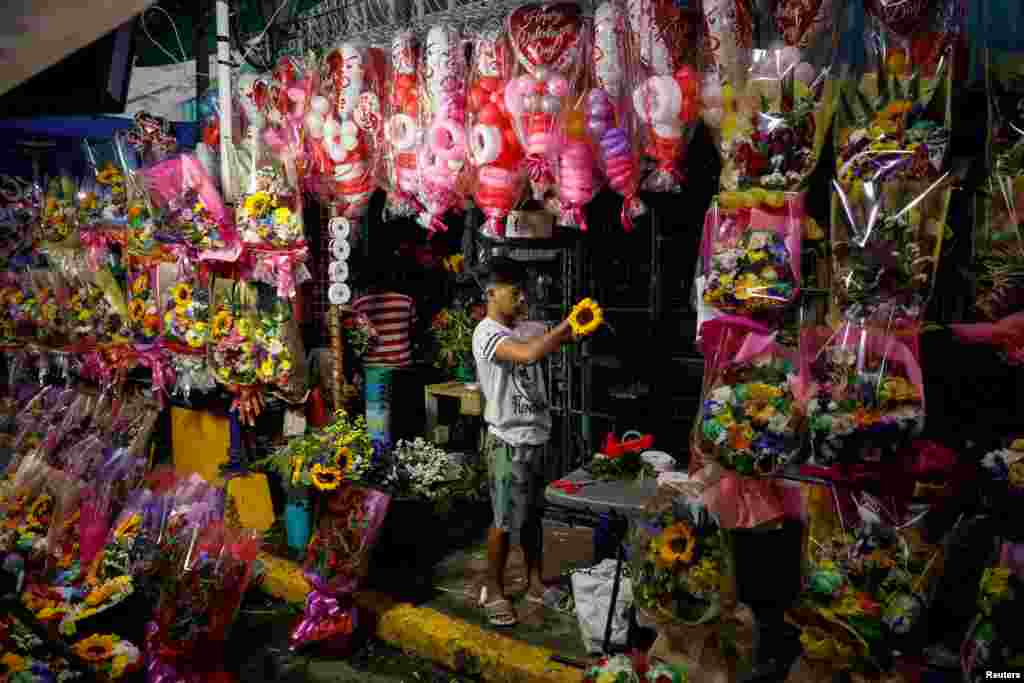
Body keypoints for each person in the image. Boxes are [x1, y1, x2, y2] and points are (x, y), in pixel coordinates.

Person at [471, 257, 579, 627]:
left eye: (523, 292)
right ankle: (494, 588)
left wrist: (579, 323)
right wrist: (561, 329)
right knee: (503, 520)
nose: (521, 300)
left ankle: (535, 582)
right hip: (506, 440)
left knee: (533, 515)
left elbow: (560, 336)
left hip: (536, 436)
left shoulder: (529, 326)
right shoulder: (486, 333)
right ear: (491, 293)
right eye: (514, 293)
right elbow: (529, 353)